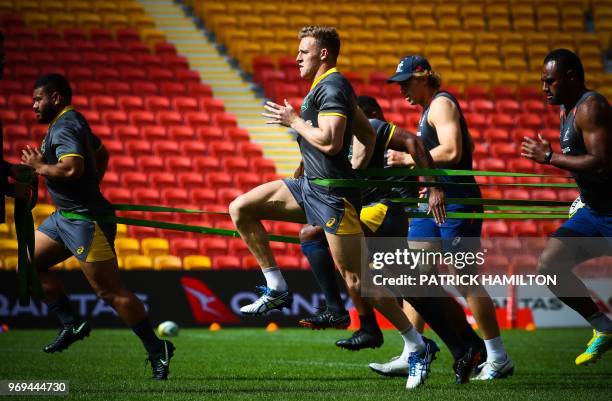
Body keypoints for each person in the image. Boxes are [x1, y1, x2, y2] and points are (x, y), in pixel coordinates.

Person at [230, 26, 438, 389]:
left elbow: (330, 141)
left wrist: (294, 122)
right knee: (242, 208)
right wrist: (355, 170)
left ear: (323, 54)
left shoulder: (331, 87)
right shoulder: (327, 87)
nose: (296, 57)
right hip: (311, 186)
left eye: (303, 51)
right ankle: (276, 287)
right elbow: (367, 135)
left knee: (362, 283)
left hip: (330, 196)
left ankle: (417, 346)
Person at [21, 73, 174, 380]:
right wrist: (93, 183)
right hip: (65, 216)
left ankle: (158, 350)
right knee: (28, 264)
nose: (33, 105)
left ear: (56, 98)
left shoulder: (65, 125)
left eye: (38, 99)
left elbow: (72, 167)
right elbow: (101, 152)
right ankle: (70, 324)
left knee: (110, 292)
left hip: (85, 221)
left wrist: (40, 168)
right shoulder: (69, 122)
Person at [385, 55, 513, 380]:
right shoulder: (430, 110)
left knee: (462, 277)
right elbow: (466, 143)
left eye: (405, 83)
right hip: (432, 199)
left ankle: (497, 357)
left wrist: (407, 158)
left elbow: (454, 150)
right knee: (416, 275)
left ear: (423, 76)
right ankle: (413, 351)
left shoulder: (441, 103)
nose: (401, 91)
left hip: (458, 202)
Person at [521, 48, 612, 366]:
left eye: (550, 81)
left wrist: (549, 158)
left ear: (572, 78)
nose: (544, 88)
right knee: (549, 265)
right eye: (542, 82)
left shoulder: (591, 108)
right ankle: (603, 327)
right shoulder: (566, 111)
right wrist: (583, 196)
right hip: (595, 211)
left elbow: (601, 163)